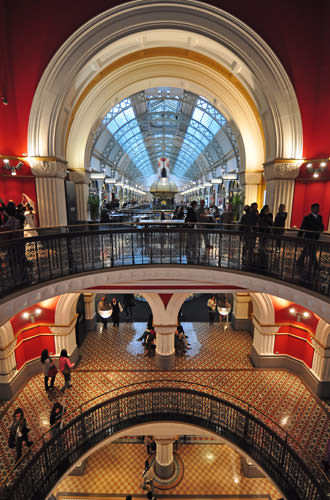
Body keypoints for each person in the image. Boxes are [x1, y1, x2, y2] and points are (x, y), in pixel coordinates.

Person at [296, 203, 324, 269]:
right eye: (316, 208)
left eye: (318, 208)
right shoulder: (307, 218)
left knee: (307, 250)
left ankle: (300, 260)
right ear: (312, 209)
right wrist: (299, 237)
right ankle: (315, 265)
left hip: (316, 237)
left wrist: (321, 229)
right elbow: (302, 227)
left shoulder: (320, 217)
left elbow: (321, 226)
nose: (317, 209)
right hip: (308, 237)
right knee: (311, 251)